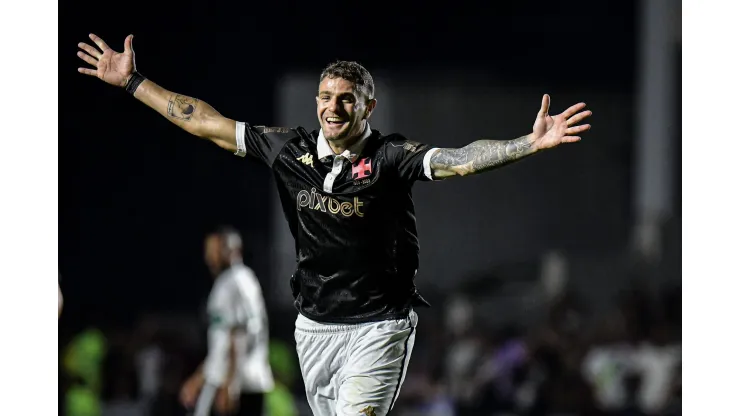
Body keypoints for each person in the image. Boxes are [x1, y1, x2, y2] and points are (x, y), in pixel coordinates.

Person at [76, 33, 592, 416]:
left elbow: (460, 158)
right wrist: (134, 83)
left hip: (378, 324)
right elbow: (203, 121)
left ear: (368, 105)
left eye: (346, 97)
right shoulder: (289, 149)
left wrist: (527, 143)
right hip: (314, 327)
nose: (333, 106)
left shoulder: (391, 157)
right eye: (325, 96)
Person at [179, 227, 274, 416]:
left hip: (231, 382)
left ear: (232, 250)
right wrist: (198, 379)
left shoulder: (229, 284)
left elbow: (236, 337)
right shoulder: (247, 279)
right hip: (253, 380)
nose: (209, 257)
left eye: (215, 250)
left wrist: (230, 384)